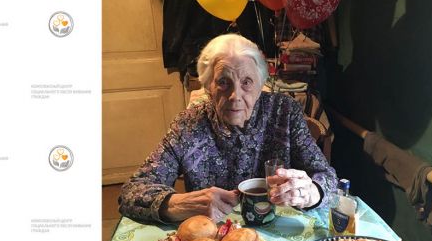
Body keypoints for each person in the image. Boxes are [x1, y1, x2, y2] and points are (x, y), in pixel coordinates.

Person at [119, 34, 337, 223]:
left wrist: (311, 192)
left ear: (261, 84)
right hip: (212, 240)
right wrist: (180, 204)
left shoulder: (284, 112)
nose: (235, 96)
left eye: (247, 82)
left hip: (276, 234)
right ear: (208, 86)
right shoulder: (188, 125)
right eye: (223, 82)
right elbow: (132, 191)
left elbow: (326, 177)